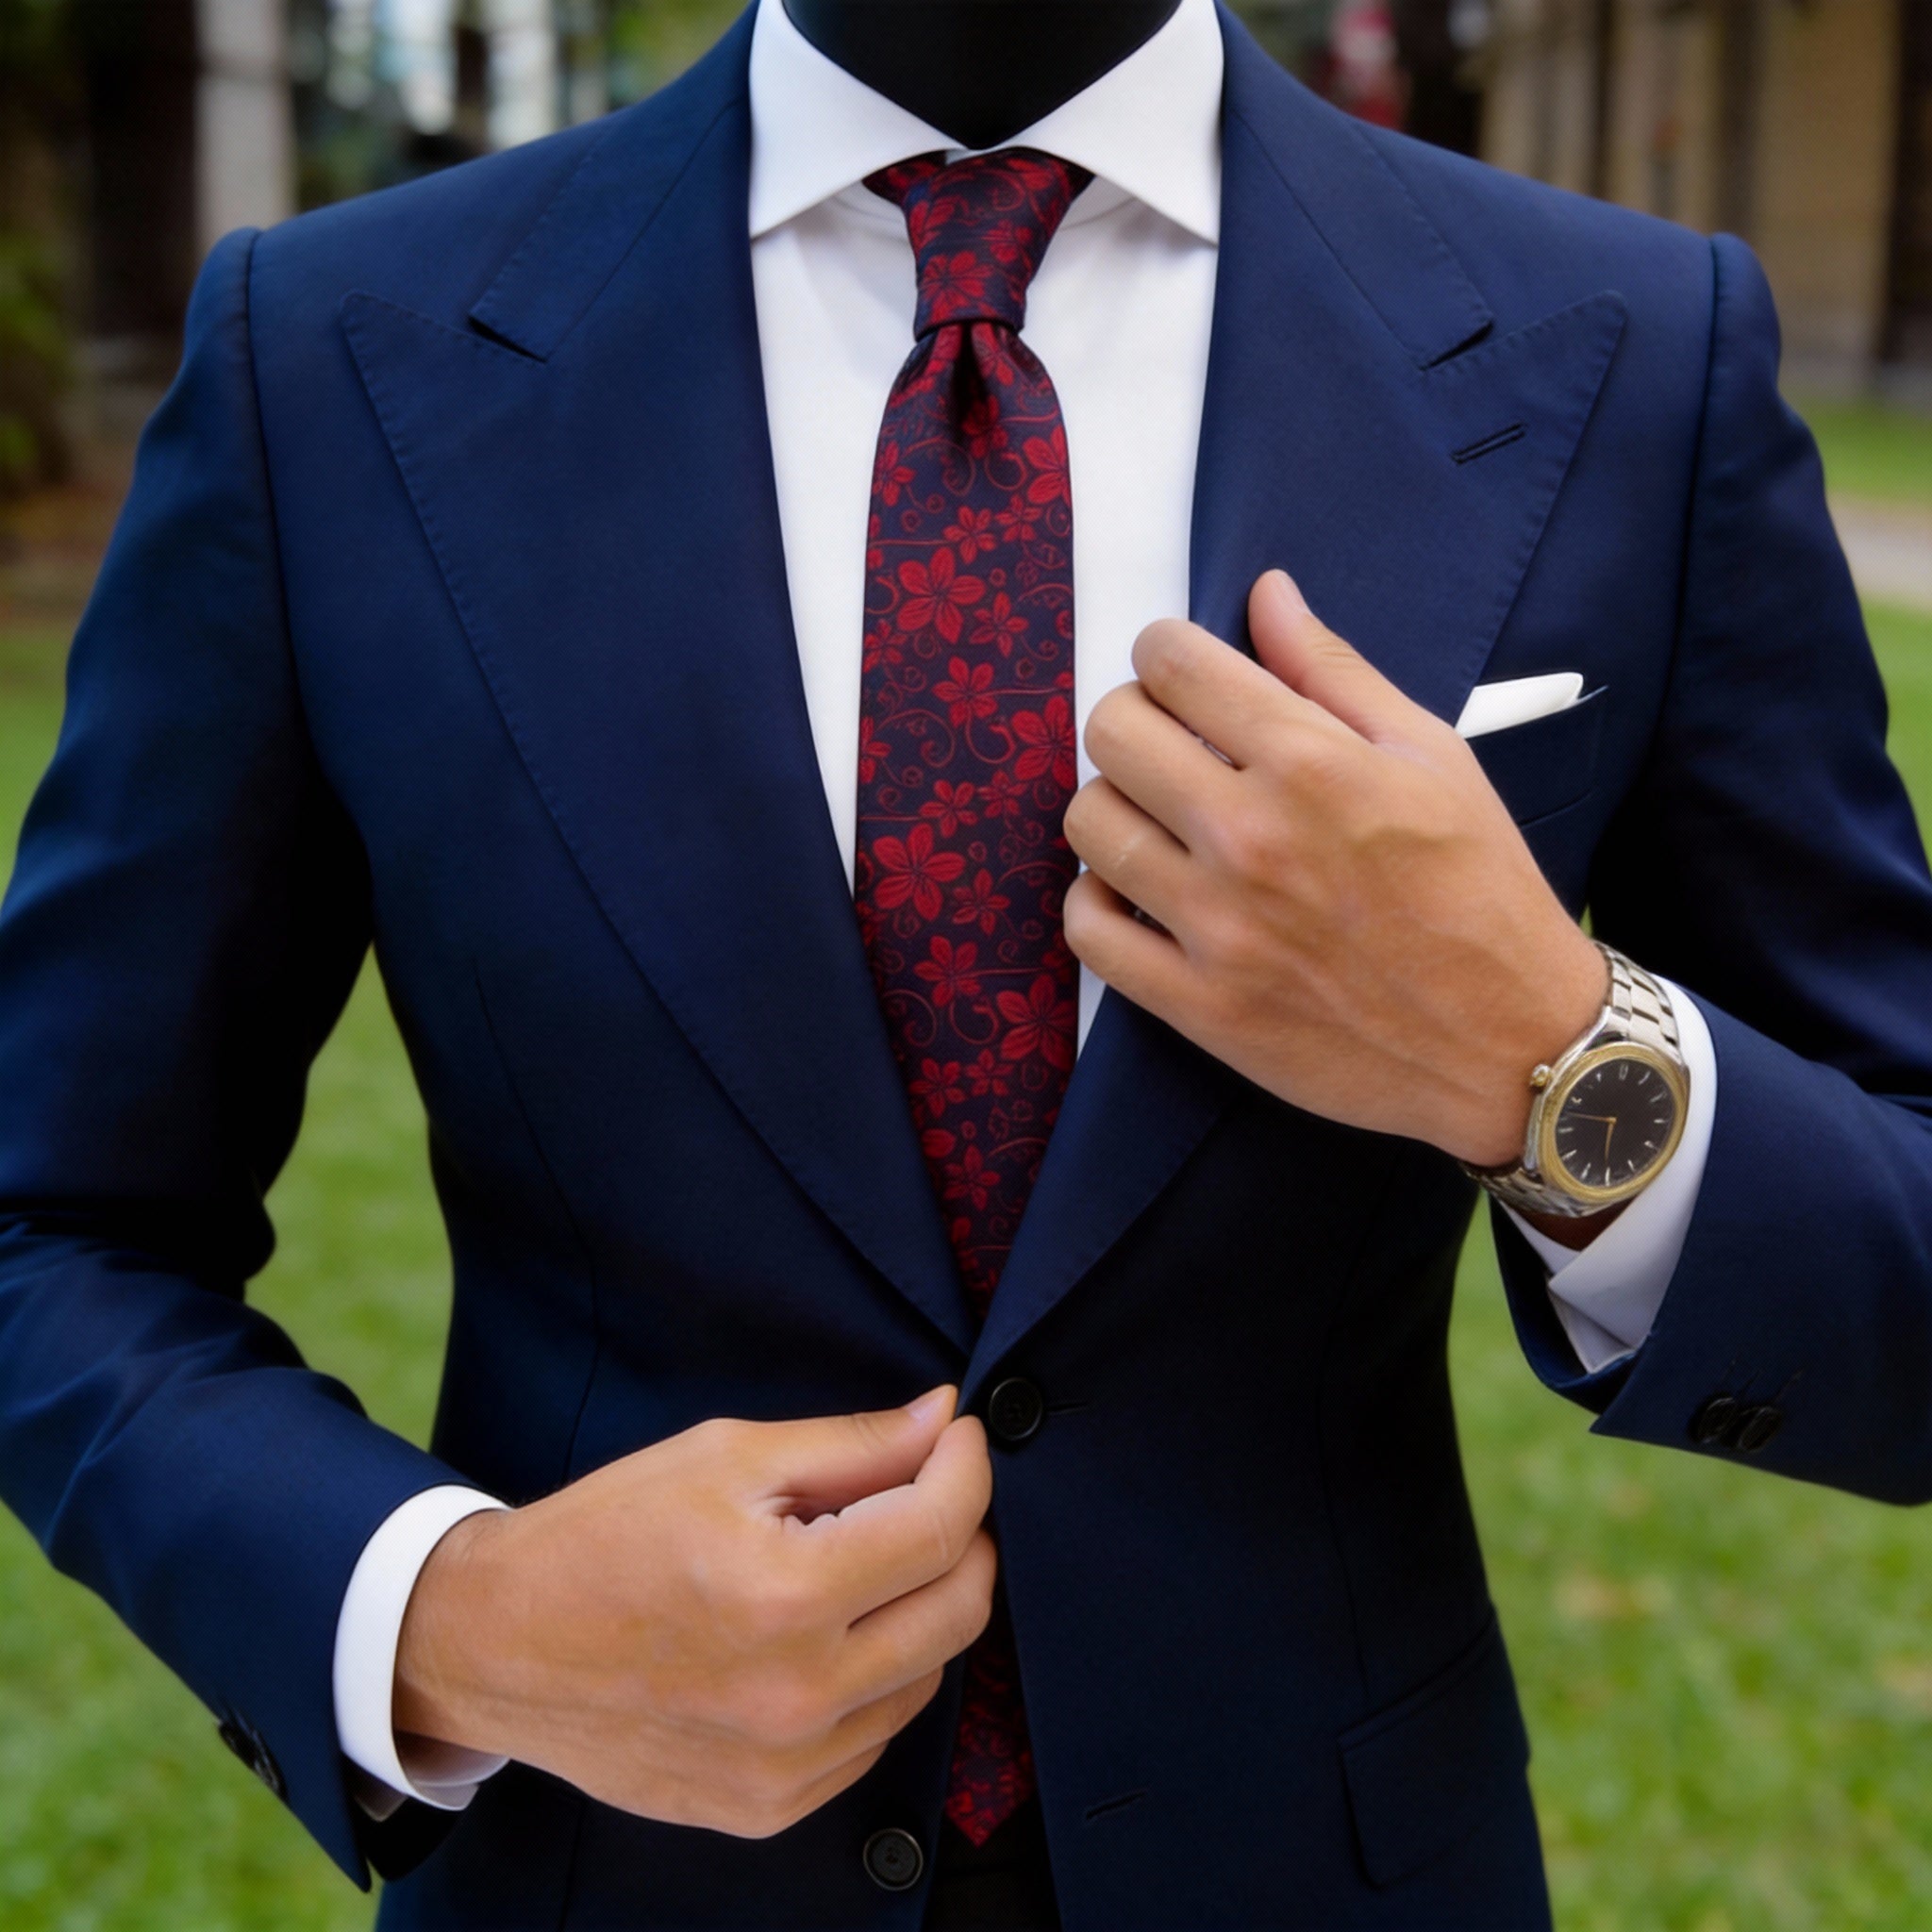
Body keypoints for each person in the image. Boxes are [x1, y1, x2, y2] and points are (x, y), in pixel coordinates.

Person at [3, 0, 1930, 1926]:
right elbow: (51, 1222)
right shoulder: (328, 357)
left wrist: (1544, 1050)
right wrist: (453, 1616)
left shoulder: (1626, 348)